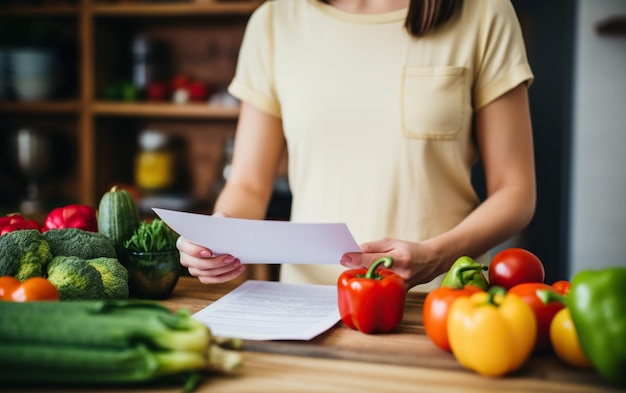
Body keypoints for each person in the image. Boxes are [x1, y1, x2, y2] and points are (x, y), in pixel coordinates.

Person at [177, 0, 536, 292]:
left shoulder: (485, 12)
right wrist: (219, 234)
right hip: (306, 301)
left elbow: (516, 191)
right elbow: (247, 185)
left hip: (444, 300)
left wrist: (436, 256)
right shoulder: (273, 21)